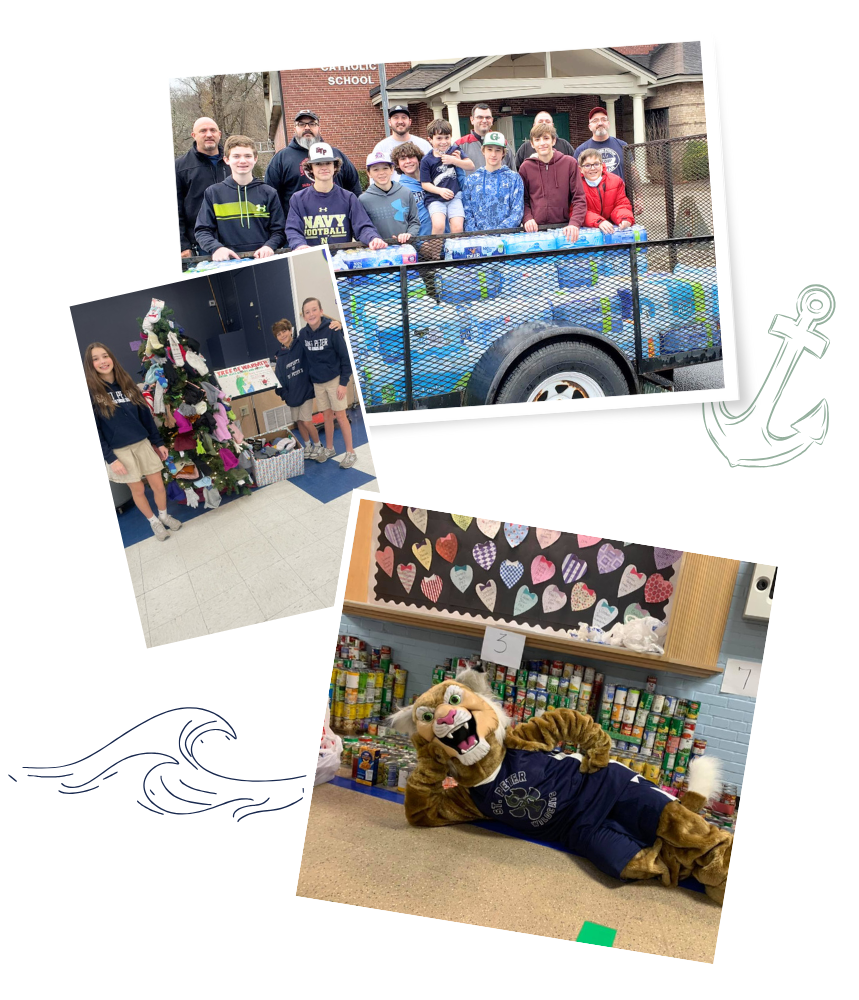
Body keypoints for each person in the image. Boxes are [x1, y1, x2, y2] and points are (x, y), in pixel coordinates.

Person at [86, 342, 181, 543]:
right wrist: (111, 459)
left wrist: (158, 442)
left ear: (111, 358)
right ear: (90, 364)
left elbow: (146, 417)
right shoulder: (92, 393)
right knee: (138, 490)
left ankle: (164, 516)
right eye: (96, 359)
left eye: (105, 356)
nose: (102, 361)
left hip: (142, 444)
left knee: (158, 486)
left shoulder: (128, 384)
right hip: (119, 452)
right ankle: (154, 522)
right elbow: (97, 431)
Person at [194, 135, 285, 260]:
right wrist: (216, 248)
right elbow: (202, 230)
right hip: (227, 262)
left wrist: (269, 246)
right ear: (226, 160)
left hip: (263, 260)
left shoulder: (269, 193)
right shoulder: (213, 193)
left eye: (248, 156)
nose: (242, 161)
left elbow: (279, 231)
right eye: (236, 156)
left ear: (255, 159)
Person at [285, 143, 387, 252]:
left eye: (328, 163)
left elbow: (363, 226)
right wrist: (299, 245)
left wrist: (373, 238)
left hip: (342, 259)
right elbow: (293, 230)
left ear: (335, 167)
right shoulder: (298, 199)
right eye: (318, 164)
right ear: (310, 169)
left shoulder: (349, 198)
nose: (324, 167)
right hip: (312, 258)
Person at [265, 111, 363, 221]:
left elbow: (355, 190)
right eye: (301, 124)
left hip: (338, 226)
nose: (307, 128)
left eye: (312, 124)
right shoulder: (281, 159)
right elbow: (271, 198)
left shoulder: (336, 155)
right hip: (297, 227)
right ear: (294, 129)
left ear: (319, 128)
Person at [298, 297, 358, 470]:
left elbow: (346, 358)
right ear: (303, 316)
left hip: (334, 381)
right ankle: (330, 448)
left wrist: (343, 383)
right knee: (327, 416)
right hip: (318, 383)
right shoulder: (303, 334)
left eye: (314, 310)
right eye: (307, 312)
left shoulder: (332, 329)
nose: (311, 314)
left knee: (341, 416)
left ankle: (350, 452)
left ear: (321, 311)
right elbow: (296, 351)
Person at [518, 122, 585, 243]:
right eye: (537, 140)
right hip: (536, 231)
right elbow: (523, 199)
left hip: (565, 229)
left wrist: (574, 223)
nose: (542, 143)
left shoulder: (569, 163)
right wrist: (527, 218)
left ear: (553, 141)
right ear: (532, 144)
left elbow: (579, 198)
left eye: (546, 138)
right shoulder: (525, 167)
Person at [271, 319, 326, 462]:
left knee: (307, 421)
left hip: (306, 392)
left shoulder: (301, 344)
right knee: (299, 422)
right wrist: (286, 395)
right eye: (278, 334)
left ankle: (318, 446)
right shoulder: (280, 357)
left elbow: (313, 335)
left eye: (284, 331)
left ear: (290, 331)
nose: (282, 335)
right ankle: (307, 446)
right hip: (292, 396)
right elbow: (279, 381)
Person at [175, 117, 231, 258]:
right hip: (200, 245)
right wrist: (183, 245)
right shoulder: (180, 167)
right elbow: (175, 209)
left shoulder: (233, 161)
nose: (209, 134)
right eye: (203, 131)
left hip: (235, 240)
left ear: (219, 134)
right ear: (193, 135)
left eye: (213, 130)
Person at [461, 131, 524, 232]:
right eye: (489, 149)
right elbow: (467, 213)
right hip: (478, 237)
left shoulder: (514, 179)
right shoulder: (471, 180)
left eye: (498, 150)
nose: (493, 154)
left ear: (503, 153)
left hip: (506, 237)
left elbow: (517, 212)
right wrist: (478, 234)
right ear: (483, 151)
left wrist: (497, 233)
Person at [420, 120, 471, 236]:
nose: (443, 142)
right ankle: (435, 249)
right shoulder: (426, 160)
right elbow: (425, 184)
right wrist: (440, 191)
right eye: (439, 138)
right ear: (430, 139)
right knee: (439, 225)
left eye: (447, 137)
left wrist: (455, 161)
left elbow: (470, 165)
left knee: (458, 227)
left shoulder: (454, 151)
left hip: (454, 196)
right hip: (435, 198)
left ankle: (454, 248)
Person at [359, 151, 420, 243]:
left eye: (385, 168)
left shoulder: (406, 193)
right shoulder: (363, 200)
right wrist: (373, 239)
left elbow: (414, 221)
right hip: (378, 249)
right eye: (376, 170)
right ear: (369, 173)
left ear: (392, 170)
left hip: (406, 247)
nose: (381, 173)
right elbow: (363, 228)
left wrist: (409, 234)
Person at [578, 149, 634, 235]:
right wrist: (598, 221)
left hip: (611, 229)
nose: (592, 168)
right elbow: (577, 211)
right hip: (587, 232)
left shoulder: (615, 181)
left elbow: (621, 204)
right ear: (580, 169)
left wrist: (624, 218)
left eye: (596, 164)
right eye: (587, 165)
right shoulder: (576, 185)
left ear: (602, 165)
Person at [573, 106, 630, 185]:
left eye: (603, 119)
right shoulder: (581, 151)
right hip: (592, 193)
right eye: (595, 120)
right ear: (590, 127)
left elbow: (632, 172)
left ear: (608, 124)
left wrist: (638, 192)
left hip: (619, 192)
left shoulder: (623, 145)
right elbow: (576, 177)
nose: (600, 123)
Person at [454, 103, 516, 171]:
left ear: (492, 120)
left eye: (487, 117)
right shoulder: (460, 145)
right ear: (472, 120)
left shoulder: (502, 143)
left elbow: (513, 170)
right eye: (480, 117)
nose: (484, 121)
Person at [390, 142, 432, 235]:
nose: (408, 161)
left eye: (411, 157)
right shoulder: (399, 189)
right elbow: (399, 219)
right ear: (397, 164)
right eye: (403, 159)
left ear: (419, 159)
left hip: (444, 235)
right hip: (420, 238)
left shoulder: (433, 180)